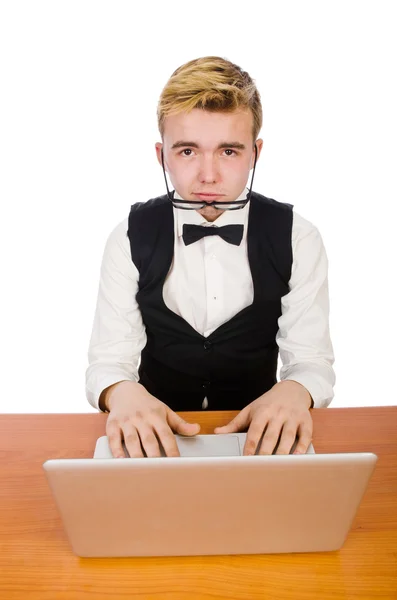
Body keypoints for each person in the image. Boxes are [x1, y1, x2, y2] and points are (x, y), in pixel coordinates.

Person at [85, 56, 335, 459]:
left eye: (228, 152)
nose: (208, 176)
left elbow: (312, 361)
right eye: (187, 151)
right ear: (160, 154)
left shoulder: (298, 237)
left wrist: (296, 390)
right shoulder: (129, 237)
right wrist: (123, 393)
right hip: (156, 445)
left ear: (255, 153)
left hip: (259, 446)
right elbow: (107, 363)